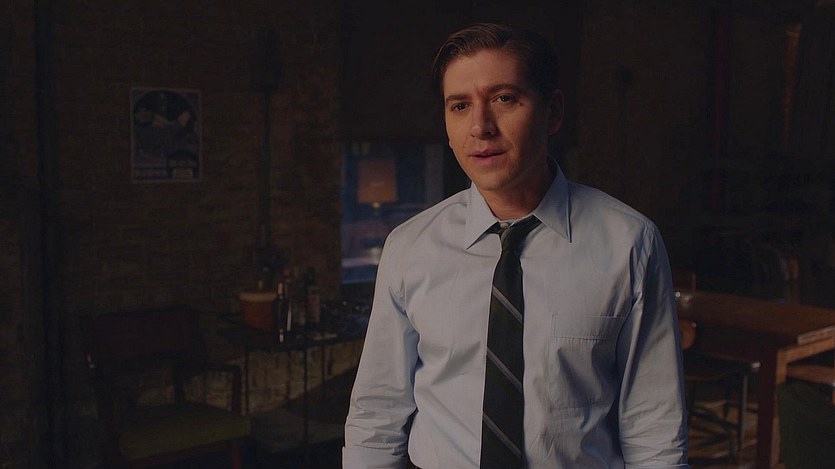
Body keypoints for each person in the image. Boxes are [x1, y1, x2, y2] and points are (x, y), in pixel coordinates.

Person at [343, 23, 688, 468]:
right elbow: (377, 415)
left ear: (553, 112)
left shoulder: (630, 243)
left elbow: (655, 428)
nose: (480, 127)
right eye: (460, 106)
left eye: (504, 99)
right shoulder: (409, 248)